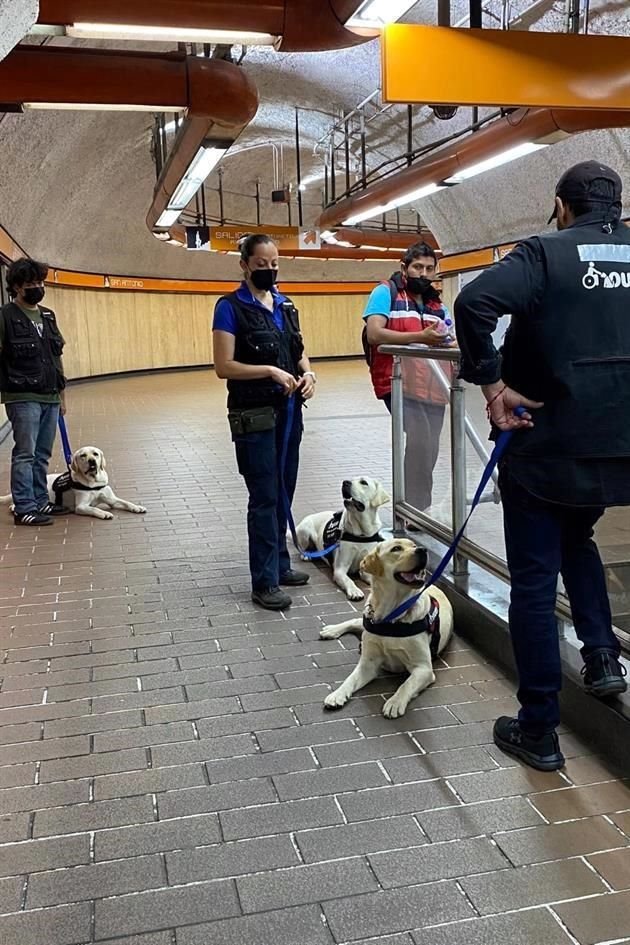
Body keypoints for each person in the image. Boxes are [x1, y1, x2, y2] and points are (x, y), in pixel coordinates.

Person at [455, 160, 629, 772]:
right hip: (617, 444)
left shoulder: (546, 253)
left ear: (562, 205)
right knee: (578, 535)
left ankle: (539, 730)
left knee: (532, 580)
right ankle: (604, 658)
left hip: (543, 441)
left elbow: (474, 303)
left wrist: (493, 382)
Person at [213, 233, 316, 611]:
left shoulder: (286, 305)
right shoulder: (229, 307)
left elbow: (299, 353)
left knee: (284, 491)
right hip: (254, 416)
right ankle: (264, 581)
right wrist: (270, 371)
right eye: (262, 265)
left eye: (274, 265)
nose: (269, 271)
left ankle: (281, 565)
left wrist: (310, 374)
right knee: (264, 496)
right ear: (244, 265)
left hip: (289, 415)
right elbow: (224, 366)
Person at [363, 242, 453, 514]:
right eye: (417, 267)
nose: (423, 273)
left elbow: (448, 336)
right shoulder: (385, 293)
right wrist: (420, 337)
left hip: (433, 385)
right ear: (404, 268)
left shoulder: (437, 303)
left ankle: (417, 509)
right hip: (397, 381)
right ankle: (414, 509)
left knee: (430, 448)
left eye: (429, 268)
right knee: (420, 439)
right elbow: (375, 334)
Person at [1, 258, 67, 526]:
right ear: (16, 287)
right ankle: (24, 507)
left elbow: (56, 357)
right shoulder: (5, 316)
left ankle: (41, 501)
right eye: (31, 284)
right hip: (22, 396)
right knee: (25, 453)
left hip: (50, 394)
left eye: (40, 283)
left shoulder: (48, 315)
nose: (37, 288)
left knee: (42, 454)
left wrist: (62, 397)